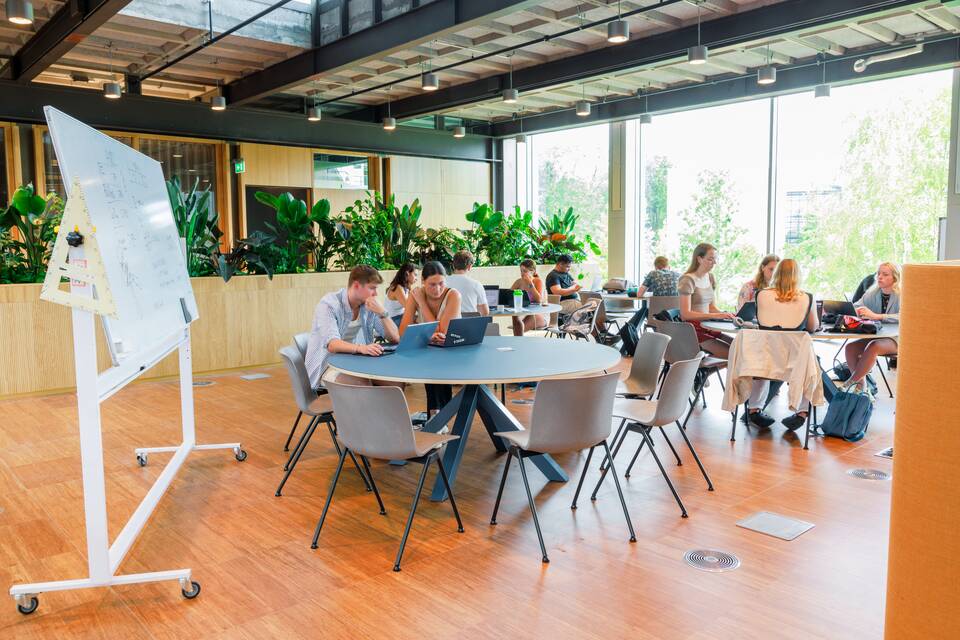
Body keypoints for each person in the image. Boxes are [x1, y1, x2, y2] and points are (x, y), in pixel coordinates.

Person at [745, 258, 819, 430]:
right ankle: (802, 412)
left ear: (776, 274)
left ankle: (754, 409)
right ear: (797, 276)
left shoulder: (761, 295)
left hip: (764, 362)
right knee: (812, 364)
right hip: (795, 364)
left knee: (762, 360)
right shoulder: (807, 297)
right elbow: (812, 327)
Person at [305, 265, 400, 389]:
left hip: (358, 362)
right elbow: (332, 344)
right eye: (372, 288)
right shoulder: (329, 305)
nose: (375, 293)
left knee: (395, 382)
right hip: (327, 366)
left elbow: (395, 338)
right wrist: (362, 348)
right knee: (361, 383)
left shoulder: (369, 306)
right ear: (356, 285)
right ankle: (366, 408)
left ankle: (379, 409)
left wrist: (383, 313)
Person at [399, 261, 462, 412]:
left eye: (441, 283)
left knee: (436, 363)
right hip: (428, 350)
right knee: (431, 361)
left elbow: (442, 331)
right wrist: (429, 336)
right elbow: (402, 331)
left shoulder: (453, 295)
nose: (437, 289)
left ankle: (437, 415)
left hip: (454, 351)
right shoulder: (415, 294)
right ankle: (437, 416)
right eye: (432, 284)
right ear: (422, 282)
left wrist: (422, 302)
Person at [845, 262, 900, 392]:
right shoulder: (872, 292)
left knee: (873, 346)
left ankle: (852, 381)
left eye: (885, 274)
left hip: (896, 338)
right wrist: (857, 311)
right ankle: (861, 385)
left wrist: (877, 316)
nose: (880, 277)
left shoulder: (903, 295)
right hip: (876, 335)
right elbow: (857, 305)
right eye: (878, 273)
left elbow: (905, 317)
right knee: (850, 348)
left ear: (895, 278)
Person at [677, 243, 735, 358]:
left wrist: (725, 315)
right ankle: (699, 371)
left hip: (707, 326)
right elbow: (685, 315)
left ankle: (701, 373)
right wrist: (715, 316)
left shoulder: (710, 277)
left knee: (739, 347)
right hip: (693, 331)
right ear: (699, 259)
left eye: (715, 259)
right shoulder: (687, 280)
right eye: (710, 259)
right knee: (732, 354)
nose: (714, 263)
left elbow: (711, 308)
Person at [445, 250, 489, 316]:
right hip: (470, 324)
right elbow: (485, 312)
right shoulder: (476, 285)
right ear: (469, 266)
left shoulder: (442, 282)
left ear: (453, 265)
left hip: (448, 324)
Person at [510, 259, 547, 336]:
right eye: (521, 271)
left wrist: (530, 284)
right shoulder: (519, 282)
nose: (522, 274)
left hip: (538, 314)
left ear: (533, 271)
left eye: (525, 271)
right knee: (516, 318)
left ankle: (518, 342)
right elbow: (509, 295)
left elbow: (539, 300)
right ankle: (518, 342)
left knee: (518, 328)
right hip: (524, 312)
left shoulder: (538, 281)